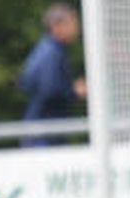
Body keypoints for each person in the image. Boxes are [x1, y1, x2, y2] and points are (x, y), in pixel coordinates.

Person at [19, 3, 86, 148]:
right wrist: (75, 91)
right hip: (44, 135)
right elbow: (50, 90)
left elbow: (26, 83)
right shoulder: (51, 53)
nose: (77, 29)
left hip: (43, 132)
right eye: (73, 24)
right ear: (57, 26)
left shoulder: (48, 50)